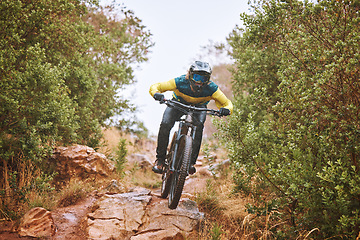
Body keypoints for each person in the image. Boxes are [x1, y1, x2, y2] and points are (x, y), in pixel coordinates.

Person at [149, 60, 233, 174]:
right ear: (190, 75)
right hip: (178, 104)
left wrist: (227, 109)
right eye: (196, 77)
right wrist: (156, 94)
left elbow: (228, 103)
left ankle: (190, 163)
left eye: (203, 79)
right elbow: (156, 86)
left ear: (208, 79)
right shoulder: (179, 82)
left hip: (199, 107)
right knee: (165, 124)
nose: (199, 82)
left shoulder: (212, 88)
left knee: (199, 127)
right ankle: (160, 160)